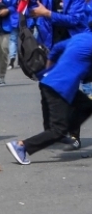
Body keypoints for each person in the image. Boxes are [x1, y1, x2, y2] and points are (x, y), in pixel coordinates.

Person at [6, 33, 92, 165]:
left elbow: (57, 48)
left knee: (86, 105)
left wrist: (50, 65)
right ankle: (22, 146)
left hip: (49, 81)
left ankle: (64, 131)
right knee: (58, 130)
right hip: (60, 88)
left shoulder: (81, 37)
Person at [10, 0, 28, 67]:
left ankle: (11, 58)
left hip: (13, 19)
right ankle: (22, 60)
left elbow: (10, 6)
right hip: (24, 19)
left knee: (13, 39)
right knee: (24, 39)